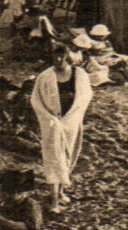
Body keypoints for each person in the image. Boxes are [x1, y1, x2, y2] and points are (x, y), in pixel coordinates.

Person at [31, 45, 93, 211]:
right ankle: (54, 202)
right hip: (52, 123)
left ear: (68, 57)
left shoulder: (80, 75)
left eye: (62, 57)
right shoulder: (44, 77)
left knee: (68, 154)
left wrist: (75, 115)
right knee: (53, 157)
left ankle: (59, 192)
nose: (59, 60)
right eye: (56, 57)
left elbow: (85, 96)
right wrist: (49, 118)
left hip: (71, 120)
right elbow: (36, 101)